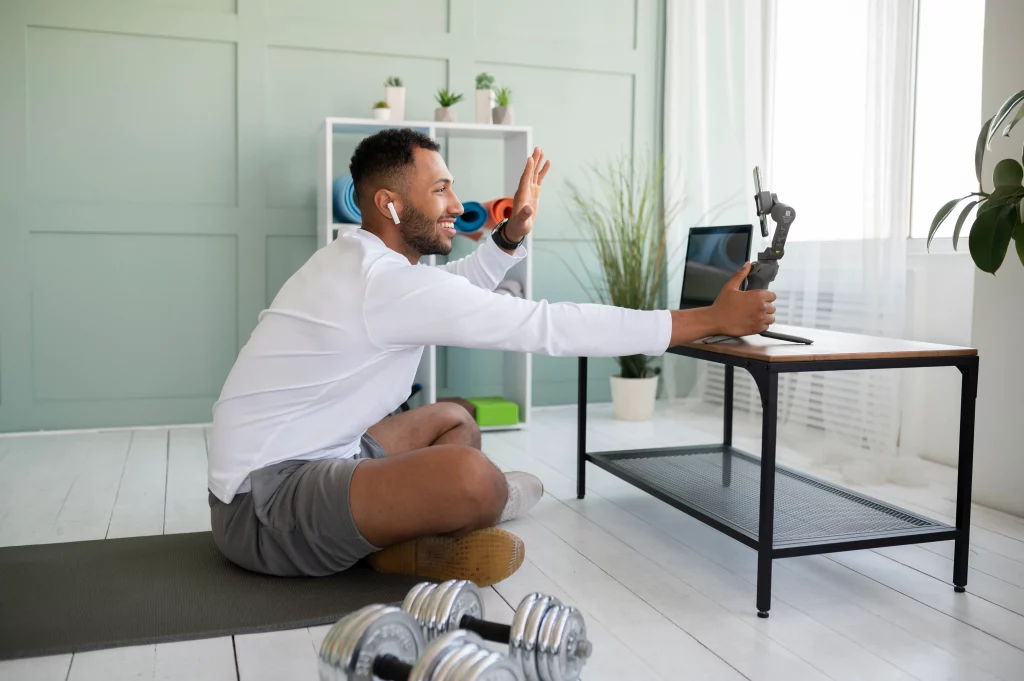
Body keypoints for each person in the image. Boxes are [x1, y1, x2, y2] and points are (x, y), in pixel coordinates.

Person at [207, 129, 776, 587]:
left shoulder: (366, 262)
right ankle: (447, 518)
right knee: (473, 478)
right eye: (441, 191)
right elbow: (545, 325)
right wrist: (705, 322)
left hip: (321, 460)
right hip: (264, 507)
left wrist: (508, 237)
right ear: (390, 204)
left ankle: (397, 542)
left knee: (454, 417)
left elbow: (454, 288)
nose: (457, 204)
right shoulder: (380, 283)